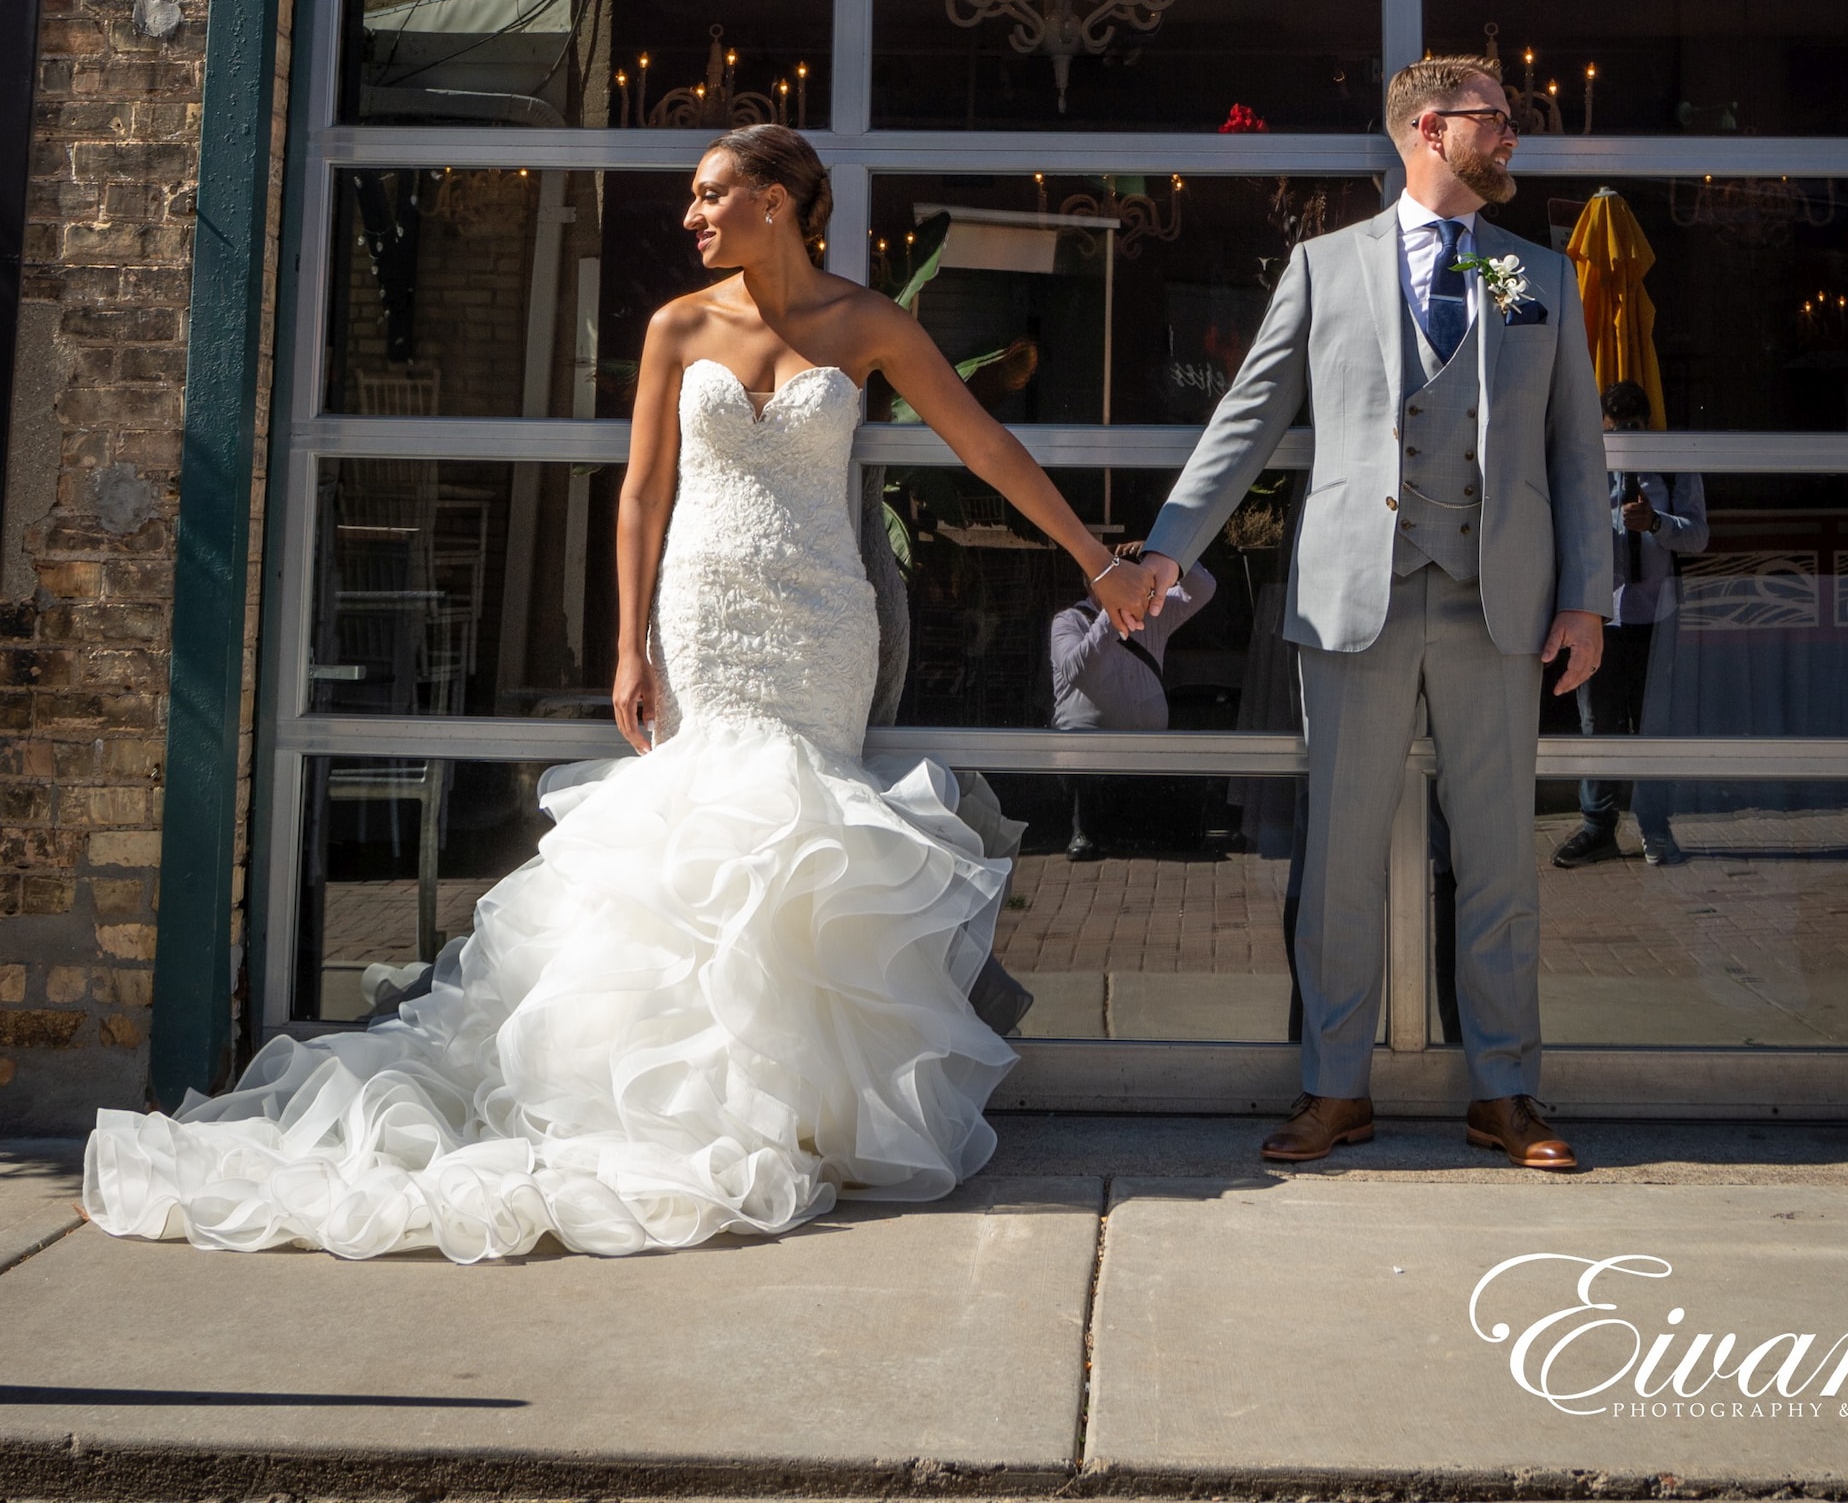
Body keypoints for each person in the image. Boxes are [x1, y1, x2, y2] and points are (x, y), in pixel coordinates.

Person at [83, 129, 1139, 1261]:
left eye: (709, 194)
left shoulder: (867, 324)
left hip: (820, 623)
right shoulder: (677, 326)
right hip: (706, 616)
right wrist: (630, 643)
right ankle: (670, 1097)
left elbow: (981, 444)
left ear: (775, 202)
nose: (691, 215)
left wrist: (1096, 559)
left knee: (791, 838)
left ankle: (780, 1103)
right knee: (701, 829)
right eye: (693, 197)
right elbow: (640, 495)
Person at [1115, 54, 1610, 1174]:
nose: (1514, 138)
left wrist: (1586, 596)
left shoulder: (1532, 274)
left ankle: (1504, 1092)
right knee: (1339, 859)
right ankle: (1334, 1088)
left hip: (1502, 605)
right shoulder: (1322, 268)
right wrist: (1160, 554)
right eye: (1499, 121)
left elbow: (1572, 450)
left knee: (1497, 861)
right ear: (1431, 130)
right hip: (1354, 601)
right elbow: (1243, 425)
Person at [1550, 377, 1708, 871]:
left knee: (1654, 726)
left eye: (1633, 429)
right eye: (1615, 431)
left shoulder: (1672, 464)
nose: (1624, 439)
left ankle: (1655, 826)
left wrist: (1658, 524)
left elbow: (1699, 536)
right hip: (1602, 614)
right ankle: (1598, 827)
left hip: (1657, 615)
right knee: (1599, 724)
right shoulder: (1588, 466)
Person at [1050, 542, 1216, 857]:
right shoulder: (1068, 621)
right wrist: (1115, 614)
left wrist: (1160, 550)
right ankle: (1082, 831)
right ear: (1096, 584)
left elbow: (1204, 586)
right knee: (1087, 773)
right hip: (1089, 754)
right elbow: (1077, 670)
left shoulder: (1156, 614)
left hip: (1147, 748)